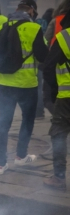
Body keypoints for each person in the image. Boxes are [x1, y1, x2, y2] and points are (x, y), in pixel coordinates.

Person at [0, 0, 48, 175]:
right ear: (31, 11)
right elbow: (43, 56)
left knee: (3, 122)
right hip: (26, 85)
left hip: (3, 84)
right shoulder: (34, 29)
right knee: (27, 120)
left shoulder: (0, 29)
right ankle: (20, 156)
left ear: (17, 10)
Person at [42, 13, 70, 191]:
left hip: (66, 96)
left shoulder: (65, 36)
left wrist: (53, 92)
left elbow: (49, 67)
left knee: (59, 134)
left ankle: (59, 178)